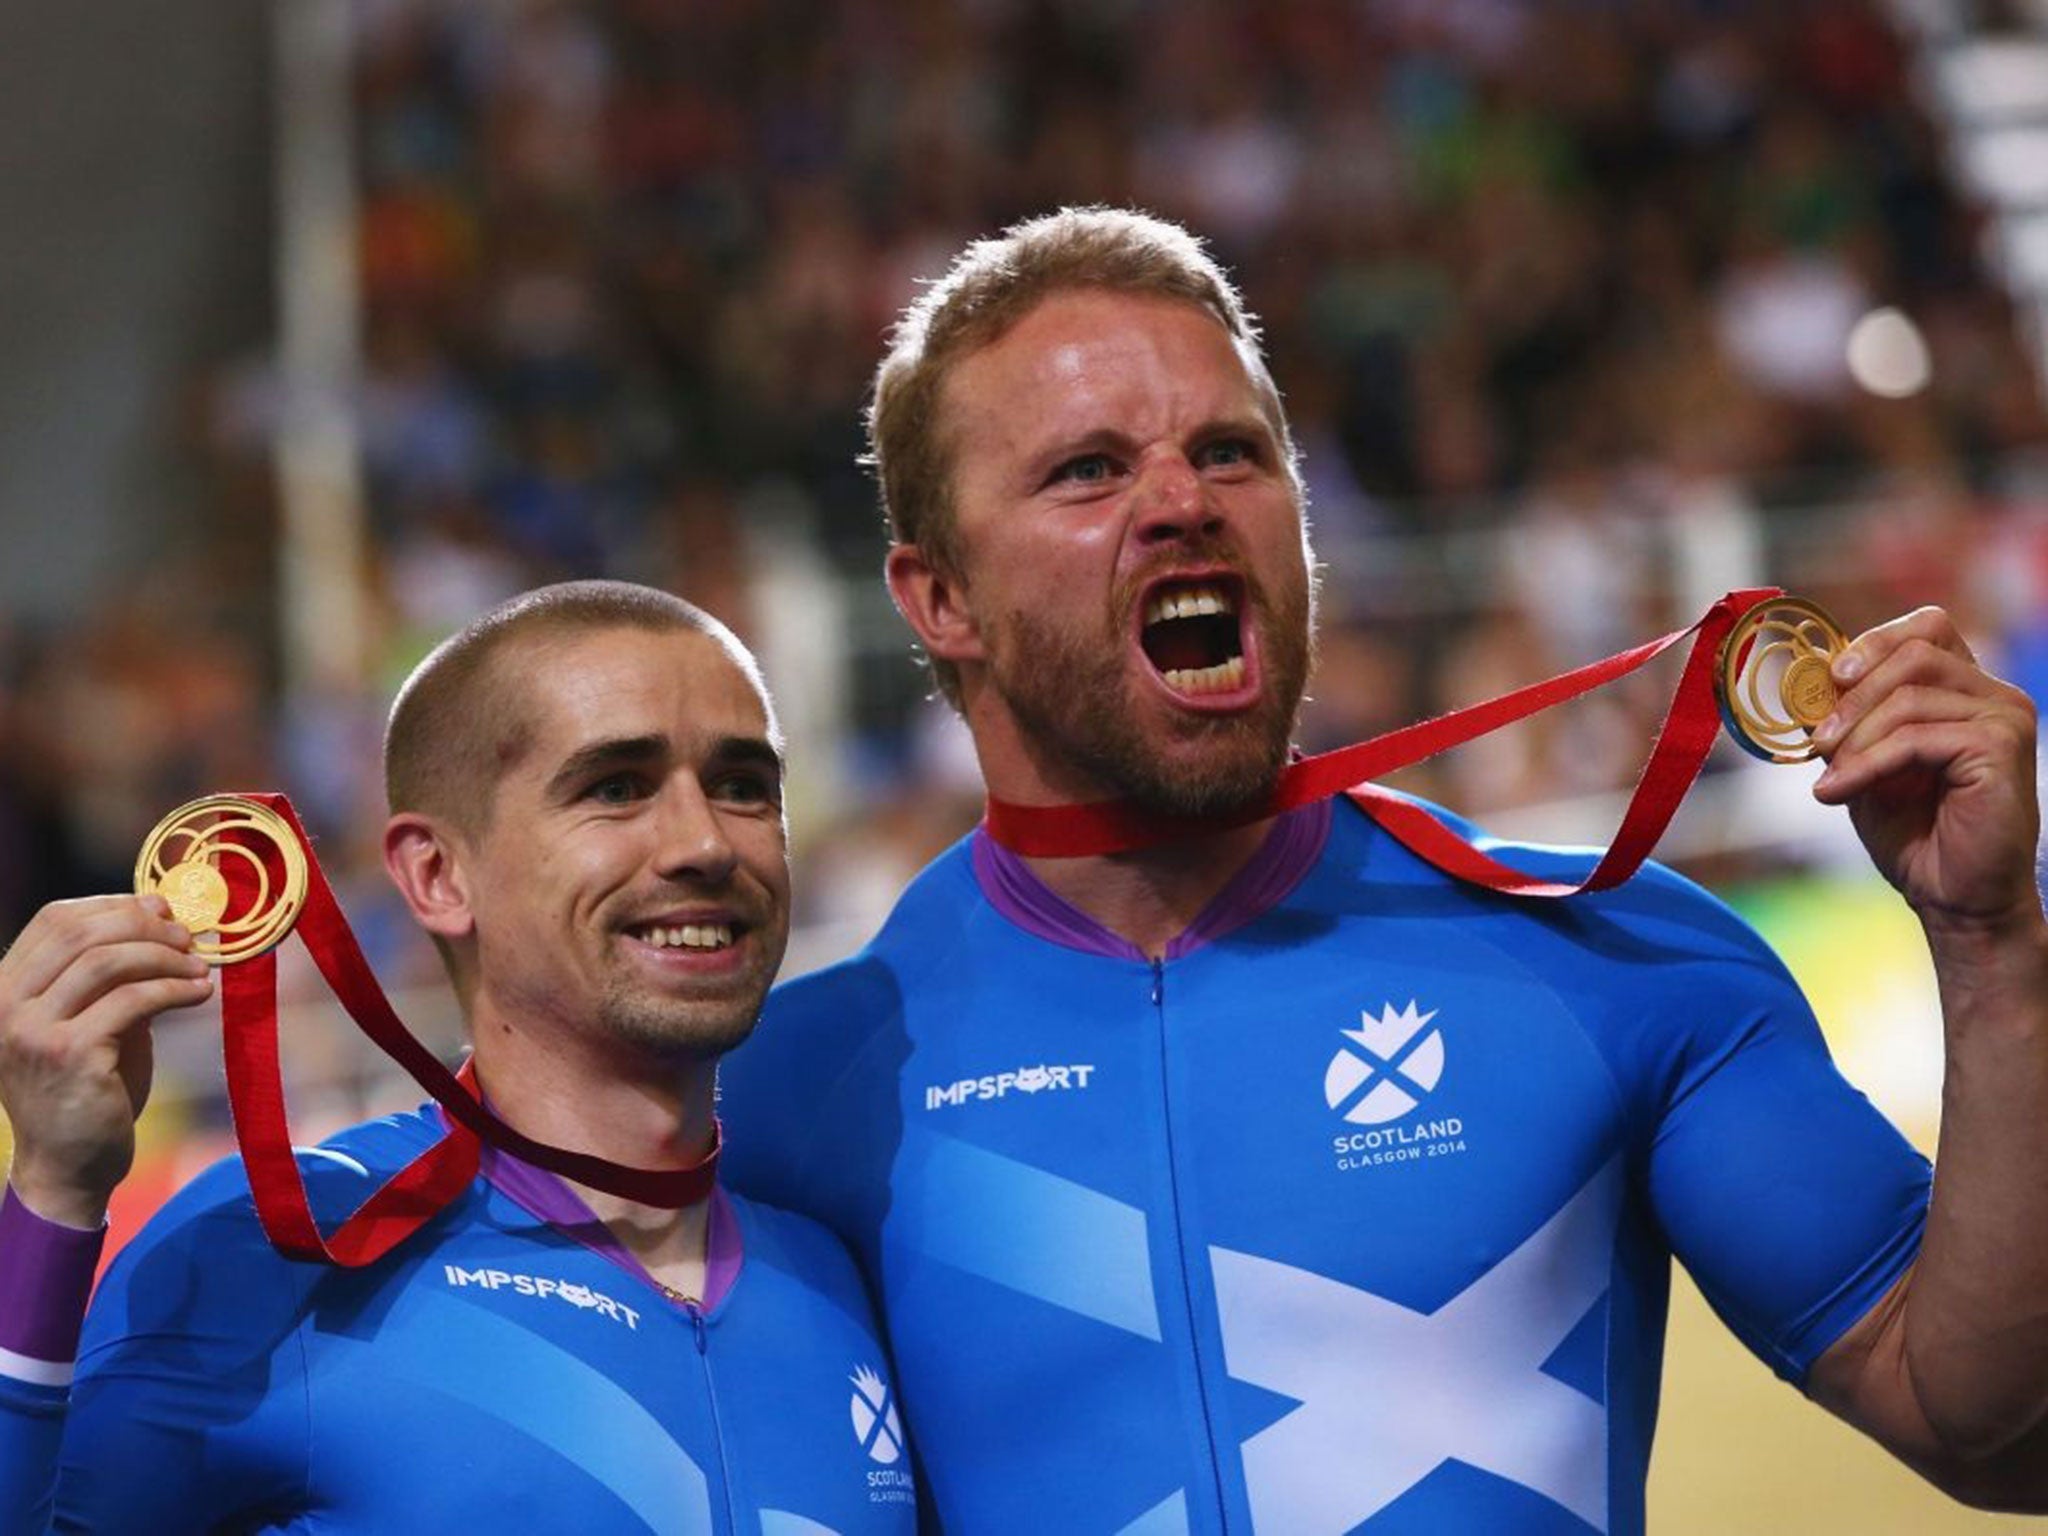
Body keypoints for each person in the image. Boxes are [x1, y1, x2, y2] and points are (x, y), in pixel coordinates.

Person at [717, 208, 2048, 1533]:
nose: (1182, 501)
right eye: (1088, 471)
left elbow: (1991, 1426)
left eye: (1232, 451)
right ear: (938, 597)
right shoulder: (800, 1097)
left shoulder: (1611, 960)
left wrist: (1988, 944)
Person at [0, 582, 918, 1532]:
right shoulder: (270, 1258)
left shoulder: (833, 1275)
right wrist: (55, 1200)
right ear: (438, 875)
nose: (702, 842)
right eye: (615, 788)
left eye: (741, 786)